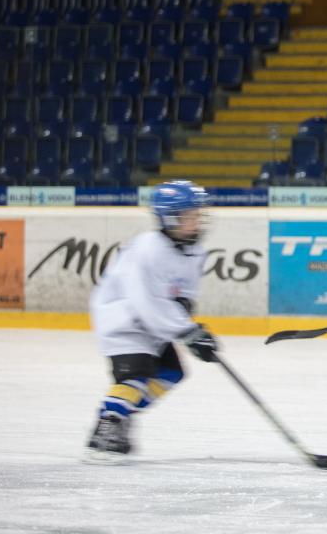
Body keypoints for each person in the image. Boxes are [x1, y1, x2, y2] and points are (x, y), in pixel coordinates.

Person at [85, 180, 220, 463]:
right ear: (169, 218)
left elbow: (183, 294)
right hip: (125, 321)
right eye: (189, 216)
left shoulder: (195, 250)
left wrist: (187, 317)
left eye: (198, 215)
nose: (196, 221)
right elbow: (145, 302)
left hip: (154, 324)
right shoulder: (148, 249)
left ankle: (123, 412)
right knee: (135, 376)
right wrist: (187, 331)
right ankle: (107, 428)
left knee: (172, 373)